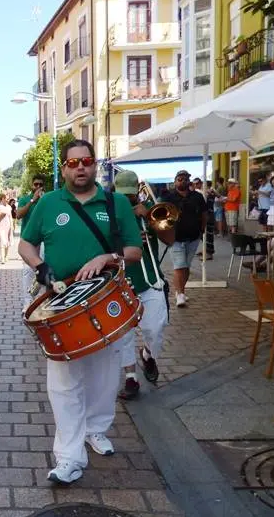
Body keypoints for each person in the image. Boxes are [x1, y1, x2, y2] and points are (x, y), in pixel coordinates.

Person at [18, 139, 143, 485]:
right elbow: (25, 243)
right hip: (61, 304)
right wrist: (38, 265)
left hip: (104, 299)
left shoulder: (116, 202)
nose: (80, 168)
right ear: (64, 168)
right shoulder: (47, 203)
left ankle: (96, 429)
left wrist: (108, 257)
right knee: (64, 380)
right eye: (73, 163)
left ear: (95, 164)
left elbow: (134, 250)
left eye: (86, 161)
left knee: (104, 375)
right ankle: (69, 455)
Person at [112, 171, 168, 400]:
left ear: (137, 192)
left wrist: (151, 220)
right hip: (121, 283)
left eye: (131, 196)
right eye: (123, 196)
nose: (127, 200)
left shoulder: (149, 210)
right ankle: (131, 379)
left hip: (150, 280)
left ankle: (147, 353)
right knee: (123, 335)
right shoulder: (110, 212)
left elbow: (171, 239)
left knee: (156, 328)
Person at [161, 170, 206, 308]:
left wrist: (201, 230)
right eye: (179, 179)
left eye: (185, 179)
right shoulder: (168, 197)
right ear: (175, 182)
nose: (182, 181)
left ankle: (181, 291)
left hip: (193, 237)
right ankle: (179, 294)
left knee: (186, 267)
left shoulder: (197, 197)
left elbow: (204, 214)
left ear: (189, 181)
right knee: (179, 266)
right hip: (175, 238)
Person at [16, 175, 46, 304]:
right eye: (35, 184)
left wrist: (44, 200)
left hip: (44, 241)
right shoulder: (25, 199)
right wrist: (32, 201)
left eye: (40, 184)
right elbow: (18, 215)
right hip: (28, 241)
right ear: (31, 185)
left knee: (45, 270)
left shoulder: (47, 199)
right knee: (28, 272)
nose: (38, 187)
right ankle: (27, 302)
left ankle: (42, 300)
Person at [0, 194, 13, 264]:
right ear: (2, 199)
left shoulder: (9, 207)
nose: (7, 200)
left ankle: (6, 256)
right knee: (2, 241)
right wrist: (1, 214)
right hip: (1, 225)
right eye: (6, 199)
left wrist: (12, 226)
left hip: (8, 225)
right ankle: (2, 259)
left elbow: (10, 217)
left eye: (8, 199)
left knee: (7, 241)